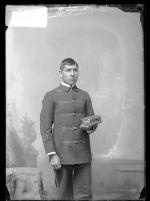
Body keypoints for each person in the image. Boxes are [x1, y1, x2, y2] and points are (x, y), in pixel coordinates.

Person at [40, 58, 98, 200]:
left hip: (83, 153)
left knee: (84, 195)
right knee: (63, 195)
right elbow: (45, 127)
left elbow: (91, 121)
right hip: (61, 154)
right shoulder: (50, 96)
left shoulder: (85, 95)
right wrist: (52, 154)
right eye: (68, 70)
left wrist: (91, 125)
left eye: (75, 70)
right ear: (60, 73)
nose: (72, 74)